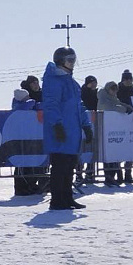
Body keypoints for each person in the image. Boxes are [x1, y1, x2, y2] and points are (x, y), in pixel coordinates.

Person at [43, 47, 93, 210]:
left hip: (72, 131)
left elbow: (79, 106)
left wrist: (86, 125)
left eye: (73, 59)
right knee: (60, 166)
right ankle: (57, 200)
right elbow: (51, 105)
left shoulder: (71, 82)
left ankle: (67, 197)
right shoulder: (53, 81)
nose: (72, 63)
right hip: (61, 130)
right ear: (60, 61)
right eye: (69, 60)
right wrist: (56, 124)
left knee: (70, 165)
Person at [98, 81, 133, 186]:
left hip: (114, 131)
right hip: (106, 131)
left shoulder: (114, 98)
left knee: (114, 154)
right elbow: (109, 107)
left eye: (115, 89)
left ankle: (114, 176)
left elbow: (118, 104)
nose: (114, 91)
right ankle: (108, 177)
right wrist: (123, 109)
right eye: (112, 89)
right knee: (108, 155)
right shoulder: (103, 98)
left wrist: (128, 107)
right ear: (108, 89)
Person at [116, 69, 133, 184]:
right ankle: (119, 174)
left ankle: (128, 173)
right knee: (118, 149)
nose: (128, 81)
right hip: (118, 123)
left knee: (131, 150)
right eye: (126, 79)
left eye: (130, 79)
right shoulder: (117, 91)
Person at [80, 75, 99, 183]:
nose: (93, 84)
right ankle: (79, 173)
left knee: (93, 149)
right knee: (82, 149)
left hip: (95, 122)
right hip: (83, 123)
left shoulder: (96, 93)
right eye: (91, 82)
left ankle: (90, 173)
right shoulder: (82, 93)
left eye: (95, 82)